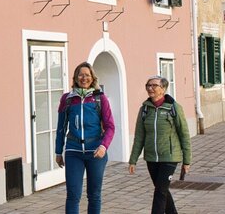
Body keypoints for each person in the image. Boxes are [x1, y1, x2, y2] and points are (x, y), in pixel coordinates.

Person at [55, 62, 115, 214]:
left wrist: (103, 146)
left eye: (87, 75)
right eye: (81, 75)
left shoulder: (100, 98)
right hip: (73, 152)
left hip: (96, 152)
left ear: (92, 77)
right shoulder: (67, 99)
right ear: (75, 77)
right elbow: (61, 128)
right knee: (73, 195)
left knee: (94, 195)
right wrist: (58, 151)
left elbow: (110, 127)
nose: (84, 78)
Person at [128, 76, 191, 214]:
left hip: (170, 156)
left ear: (163, 89)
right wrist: (133, 160)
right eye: (148, 85)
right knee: (162, 189)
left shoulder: (174, 108)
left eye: (154, 85)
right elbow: (139, 137)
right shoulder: (144, 109)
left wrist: (187, 160)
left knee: (160, 192)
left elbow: (184, 135)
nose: (150, 88)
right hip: (151, 157)